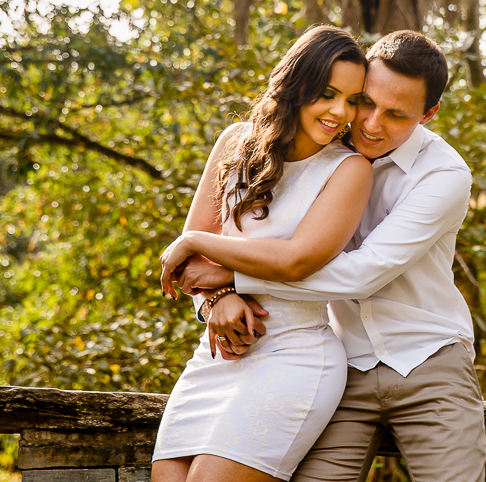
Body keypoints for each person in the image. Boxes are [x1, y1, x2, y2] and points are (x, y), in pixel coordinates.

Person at [177, 30, 486, 482]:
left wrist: (233, 277)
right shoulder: (316, 148)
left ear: (428, 114)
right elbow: (228, 233)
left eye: (396, 115)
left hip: (428, 359)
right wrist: (218, 294)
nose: (372, 124)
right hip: (344, 364)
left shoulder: (443, 174)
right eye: (366, 102)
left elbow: (361, 274)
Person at [152, 25, 374, 482]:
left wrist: (197, 243)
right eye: (328, 94)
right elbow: (189, 268)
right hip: (217, 353)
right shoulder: (234, 143)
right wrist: (218, 298)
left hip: (295, 356)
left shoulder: (349, 169)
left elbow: (296, 260)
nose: (340, 112)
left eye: (352, 100)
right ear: (297, 85)